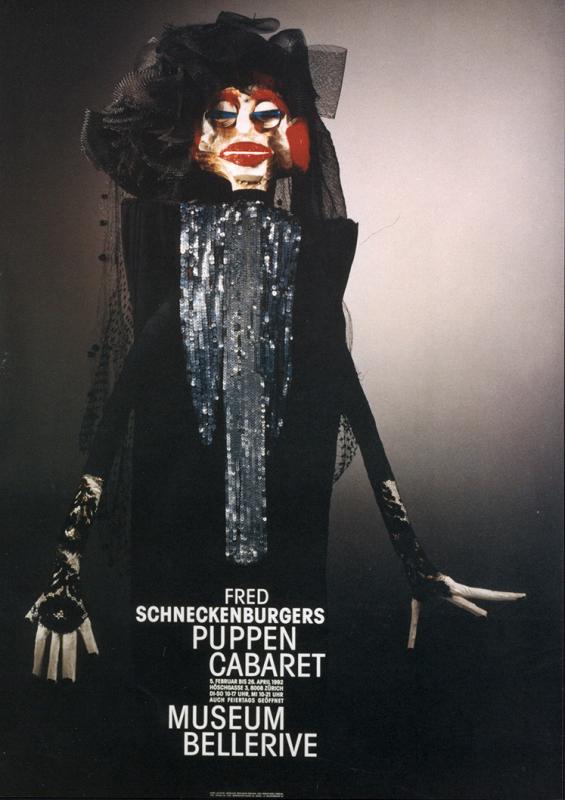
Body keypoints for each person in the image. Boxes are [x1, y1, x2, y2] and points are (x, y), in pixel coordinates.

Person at [26, 11, 524, 685]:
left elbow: (353, 405)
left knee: (277, 657)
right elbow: (117, 419)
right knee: (181, 662)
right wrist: (65, 568)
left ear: (295, 136)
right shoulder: (181, 263)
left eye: (266, 116)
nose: (245, 133)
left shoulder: (306, 265)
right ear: (192, 138)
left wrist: (416, 564)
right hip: (182, 525)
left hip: (285, 534)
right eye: (222, 116)